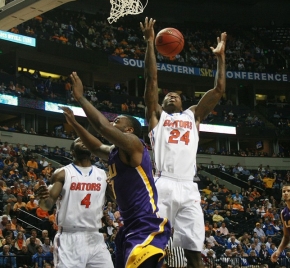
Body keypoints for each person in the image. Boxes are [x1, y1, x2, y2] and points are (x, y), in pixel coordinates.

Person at [140, 17, 227, 268]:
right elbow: (151, 81)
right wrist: (149, 42)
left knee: (193, 253)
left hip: (189, 188)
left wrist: (221, 58)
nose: (171, 95)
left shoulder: (193, 115)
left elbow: (219, 90)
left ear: (183, 101)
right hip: (163, 183)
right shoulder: (157, 116)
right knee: (152, 247)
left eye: (176, 95)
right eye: (168, 95)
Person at [61, 71, 171, 268]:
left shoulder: (135, 144)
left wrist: (80, 98)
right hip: (128, 227)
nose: (113, 123)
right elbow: (95, 147)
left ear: (129, 130)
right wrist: (76, 125)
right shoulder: (115, 152)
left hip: (146, 224)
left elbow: (103, 128)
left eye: (117, 121)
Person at [36, 136, 114, 268]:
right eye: (79, 141)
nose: (83, 141)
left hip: (95, 235)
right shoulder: (62, 173)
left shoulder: (103, 175)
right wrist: (41, 198)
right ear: (72, 151)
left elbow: (117, 200)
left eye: (85, 140)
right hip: (69, 235)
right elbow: (47, 205)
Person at [271, 184, 290, 267]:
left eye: (288, 191)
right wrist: (279, 250)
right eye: (284, 191)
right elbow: (286, 236)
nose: (286, 193)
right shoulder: (283, 213)